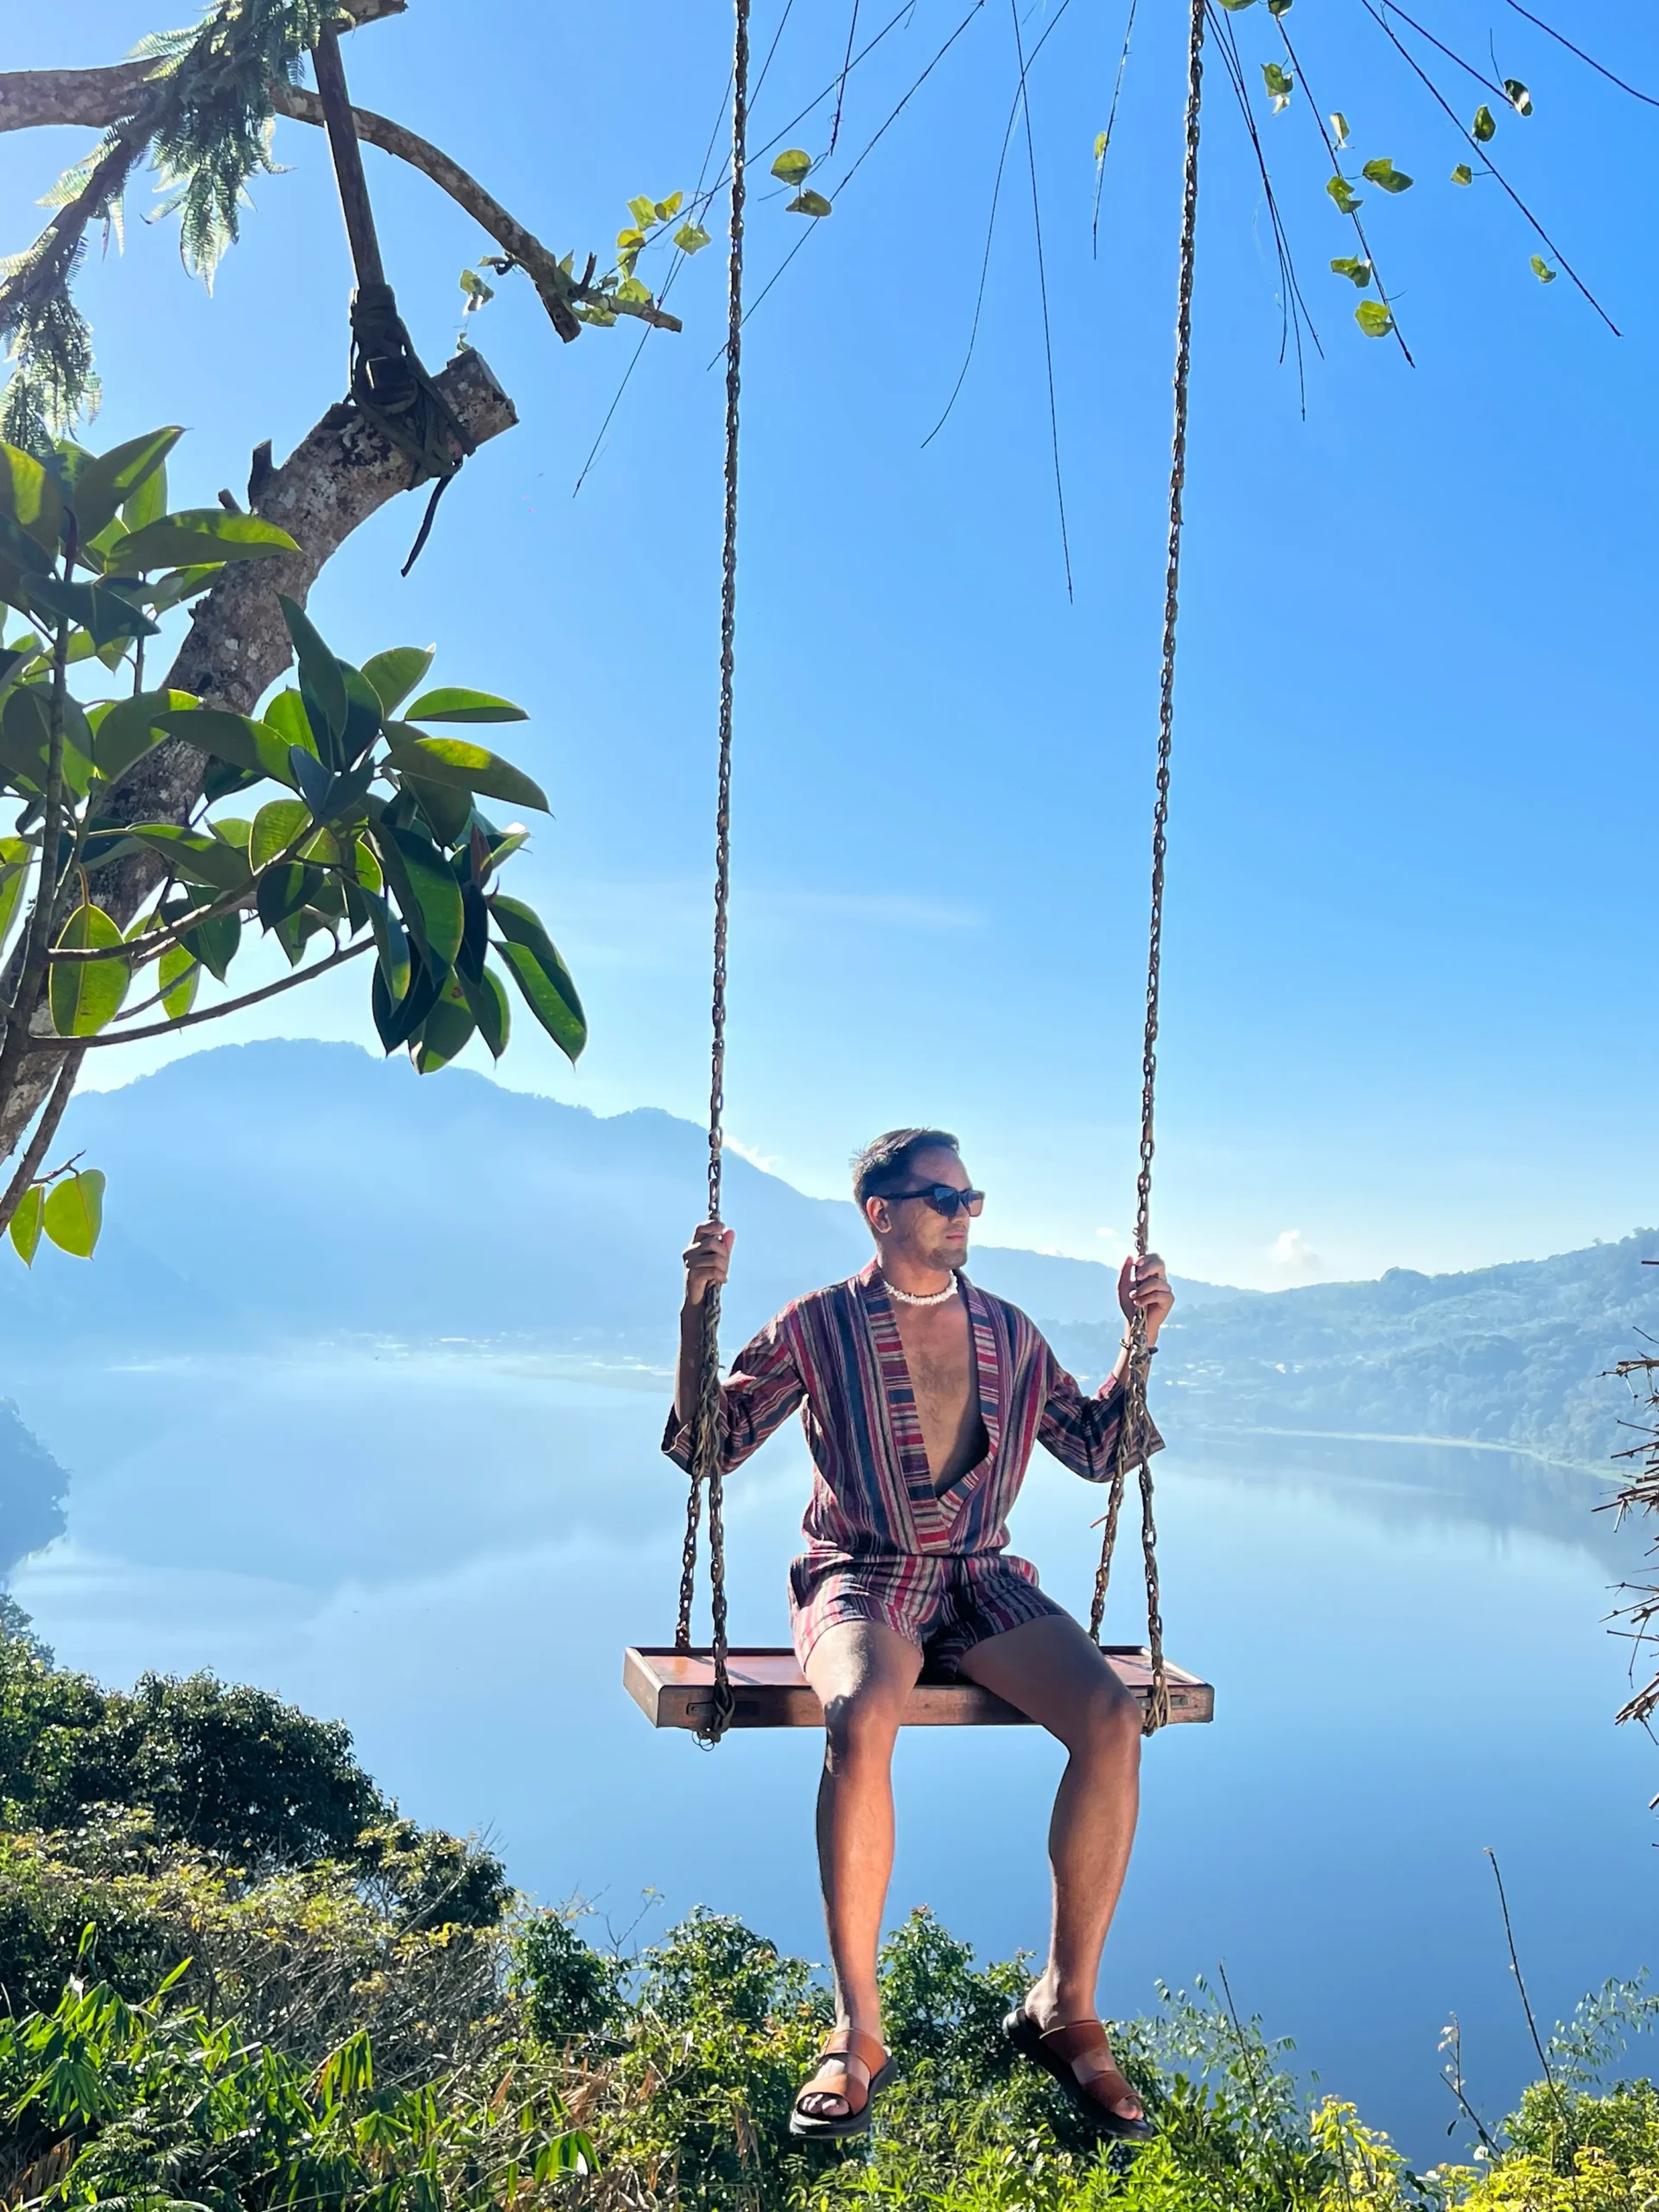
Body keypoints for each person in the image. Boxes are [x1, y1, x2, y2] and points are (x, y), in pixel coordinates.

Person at [664, 1127, 1174, 2141]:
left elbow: (1098, 1447)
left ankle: (1063, 2006)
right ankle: (858, 2030)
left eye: (973, 1197)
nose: (965, 1212)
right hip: (862, 1572)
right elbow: (710, 1447)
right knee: (858, 1717)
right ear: (881, 1211)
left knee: (1112, 1717)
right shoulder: (818, 1325)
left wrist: (1141, 1334)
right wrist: (697, 1314)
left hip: (979, 1578)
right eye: (945, 1197)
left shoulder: (1010, 1333)